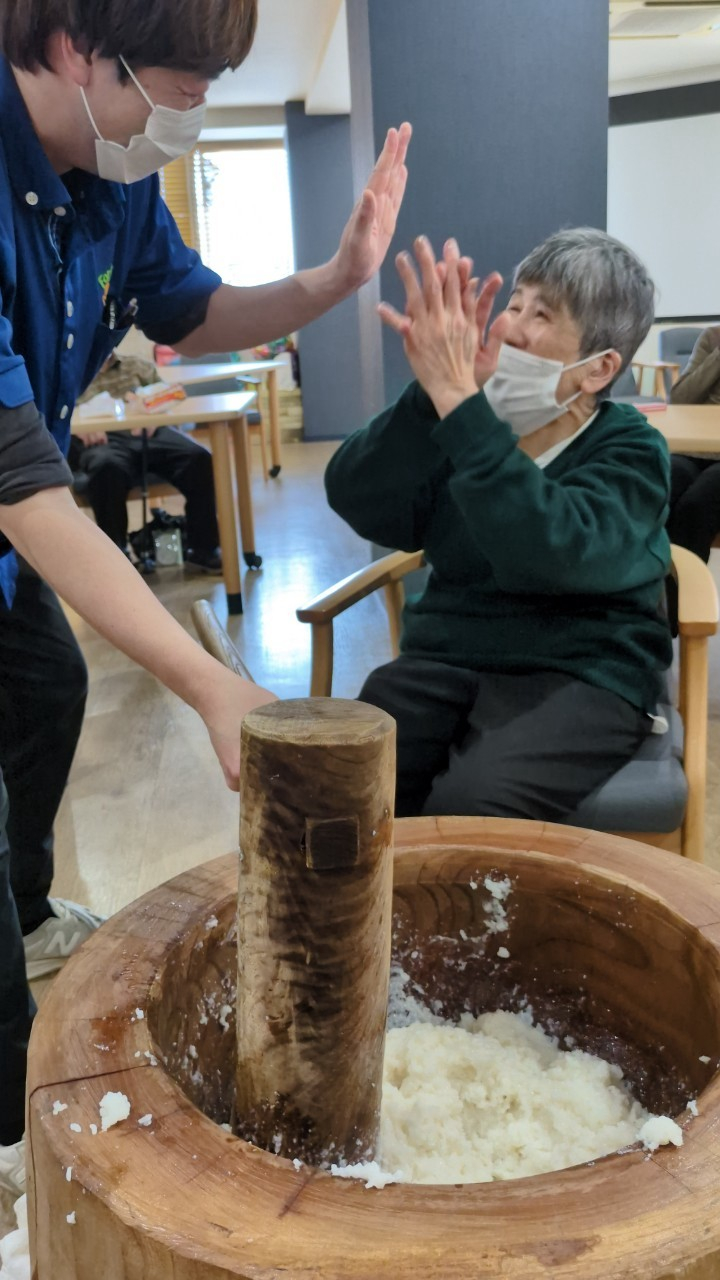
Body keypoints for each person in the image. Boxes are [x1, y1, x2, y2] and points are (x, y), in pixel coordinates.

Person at [0, 0, 410, 1194]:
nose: (190, 117)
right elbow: (26, 488)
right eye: (180, 91)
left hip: (11, 527)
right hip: (14, 500)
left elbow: (195, 312)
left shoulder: (110, 176)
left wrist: (336, 278)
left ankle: (28, 906)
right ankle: (15, 1149)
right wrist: (209, 680)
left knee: (46, 682)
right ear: (76, 51)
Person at [326, 228, 672, 821]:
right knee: (346, 779)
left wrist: (462, 410)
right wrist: (430, 398)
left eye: (541, 314)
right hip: (448, 657)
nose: (509, 326)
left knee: (472, 806)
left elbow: (554, 551)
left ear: (599, 368)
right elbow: (358, 498)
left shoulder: (631, 450)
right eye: (513, 304)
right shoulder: (469, 421)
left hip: (582, 672)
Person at [70, 351, 223, 570]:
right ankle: (117, 555)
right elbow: (55, 410)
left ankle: (204, 548)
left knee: (198, 458)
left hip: (149, 432)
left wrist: (156, 415)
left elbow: (168, 397)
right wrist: (77, 425)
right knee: (106, 468)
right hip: (103, 439)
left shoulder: (137, 366)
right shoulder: (71, 372)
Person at [667, 325, 720, 562]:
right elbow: (680, 398)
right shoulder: (713, 337)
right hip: (693, 447)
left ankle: (684, 585)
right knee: (661, 489)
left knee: (696, 505)